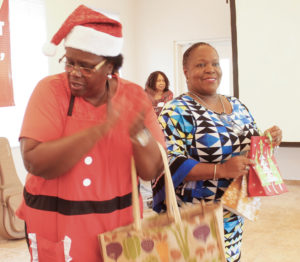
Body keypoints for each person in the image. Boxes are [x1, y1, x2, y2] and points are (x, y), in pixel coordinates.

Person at [16, 5, 165, 262]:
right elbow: (35, 161)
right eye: (69, 61)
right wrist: (101, 128)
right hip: (56, 225)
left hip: (119, 227)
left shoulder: (133, 97)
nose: (74, 72)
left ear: (109, 67)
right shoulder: (50, 91)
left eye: (86, 67)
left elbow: (152, 170)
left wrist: (138, 132)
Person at [152, 42, 282, 262]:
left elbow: (250, 147)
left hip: (233, 214)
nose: (210, 69)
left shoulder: (237, 105)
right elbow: (166, 163)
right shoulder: (178, 109)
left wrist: (268, 140)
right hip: (196, 218)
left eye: (214, 63)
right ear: (186, 71)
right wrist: (220, 169)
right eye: (201, 64)